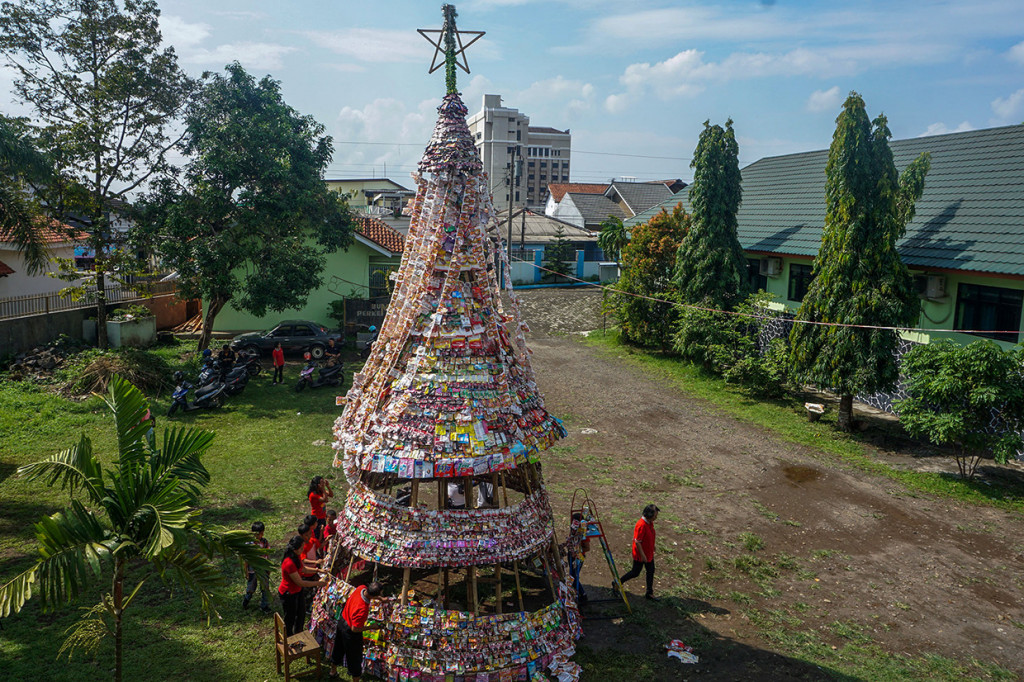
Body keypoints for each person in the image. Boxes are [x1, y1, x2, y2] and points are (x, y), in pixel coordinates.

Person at [330, 582, 384, 681]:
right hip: (350, 633)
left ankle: (332, 671)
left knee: (338, 647)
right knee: (354, 657)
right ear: (375, 595)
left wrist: (380, 599)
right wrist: (371, 627)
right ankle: (356, 678)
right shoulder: (362, 609)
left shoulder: (361, 588)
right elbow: (354, 629)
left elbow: (369, 594)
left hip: (342, 621)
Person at [278, 535, 328, 636]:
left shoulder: (296, 557)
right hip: (289, 593)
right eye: (301, 548)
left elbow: (303, 569)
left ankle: (298, 633)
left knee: (301, 613)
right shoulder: (289, 563)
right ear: (295, 549)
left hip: (297, 590)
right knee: (290, 617)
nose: (302, 550)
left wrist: (318, 570)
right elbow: (301, 582)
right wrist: (319, 583)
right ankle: (289, 637)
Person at [618, 504, 660, 601]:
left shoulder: (649, 523)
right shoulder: (641, 525)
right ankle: (618, 582)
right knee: (635, 572)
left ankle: (649, 592)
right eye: (654, 516)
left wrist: (652, 545)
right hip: (641, 555)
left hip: (648, 553)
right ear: (649, 515)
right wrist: (643, 555)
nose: (655, 518)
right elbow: (637, 541)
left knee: (651, 571)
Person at [242, 521, 271, 614]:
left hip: (263, 568)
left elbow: (267, 555)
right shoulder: (249, 544)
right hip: (252, 570)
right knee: (251, 587)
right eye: (256, 534)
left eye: (260, 534)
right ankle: (246, 600)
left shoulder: (265, 542)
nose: (258, 536)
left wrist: (268, 567)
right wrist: (246, 570)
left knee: (265, 587)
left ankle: (264, 605)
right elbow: (246, 559)